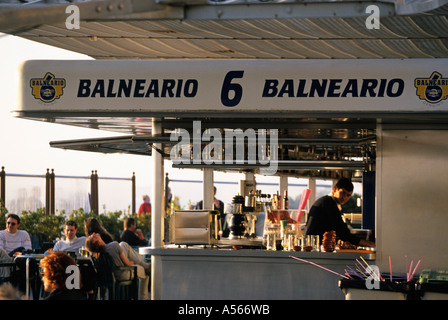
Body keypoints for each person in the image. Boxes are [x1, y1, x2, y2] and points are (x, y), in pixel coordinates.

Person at [305, 178, 375, 248]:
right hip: (313, 246)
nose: (344, 197)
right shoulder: (328, 203)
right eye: (343, 193)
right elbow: (343, 233)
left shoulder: (327, 201)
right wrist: (370, 244)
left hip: (313, 245)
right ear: (335, 189)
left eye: (348, 195)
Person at [85, 233, 150, 300]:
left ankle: (146, 265)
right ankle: (144, 298)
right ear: (98, 243)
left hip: (109, 275)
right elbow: (128, 264)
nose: (93, 234)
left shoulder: (94, 254)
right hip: (122, 273)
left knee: (123, 244)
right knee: (143, 270)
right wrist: (131, 263)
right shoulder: (114, 245)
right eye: (92, 236)